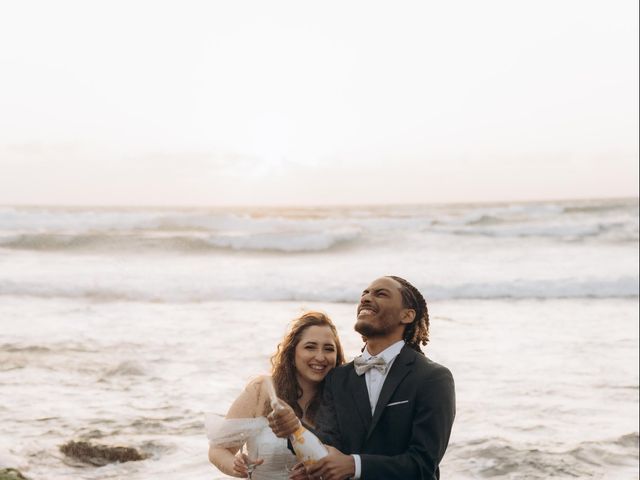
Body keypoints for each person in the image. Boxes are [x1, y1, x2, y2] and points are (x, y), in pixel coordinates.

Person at [269, 276, 456, 480]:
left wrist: (354, 465)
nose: (366, 298)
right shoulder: (337, 378)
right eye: (364, 293)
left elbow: (423, 464)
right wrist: (294, 428)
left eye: (380, 293)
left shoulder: (433, 378)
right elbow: (329, 446)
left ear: (407, 315)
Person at [207, 311, 345, 479]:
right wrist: (236, 466)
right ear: (292, 353)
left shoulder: (343, 399)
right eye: (310, 347)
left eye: (329, 349)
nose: (320, 356)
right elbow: (218, 449)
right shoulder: (262, 391)